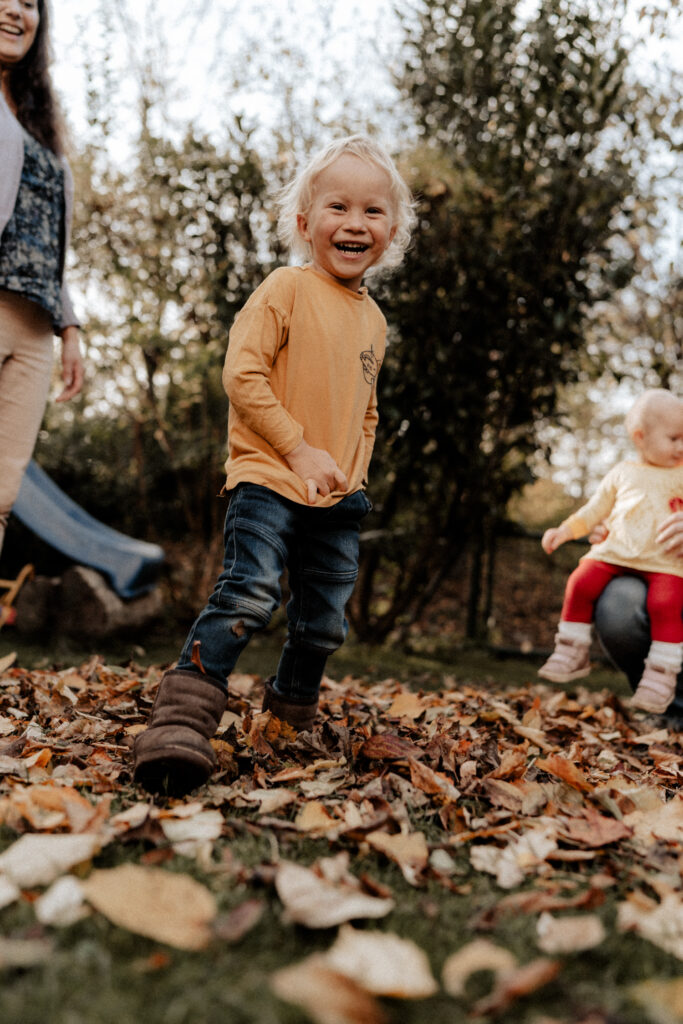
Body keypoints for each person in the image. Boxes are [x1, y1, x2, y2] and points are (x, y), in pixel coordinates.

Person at [133, 134, 415, 796]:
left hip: (337, 498)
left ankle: (290, 716)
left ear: (392, 231)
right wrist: (297, 448)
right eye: (337, 207)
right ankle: (180, 719)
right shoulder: (286, 287)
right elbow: (243, 373)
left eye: (372, 211)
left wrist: (354, 472)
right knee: (250, 591)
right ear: (303, 222)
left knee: (323, 621)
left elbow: (366, 410)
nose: (353, 223)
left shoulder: (373, 319)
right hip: (268, 479)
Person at [538, 389, 683, 715]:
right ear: (640, 437)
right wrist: (565, 530)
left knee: (666, 604)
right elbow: (594, 511)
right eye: (674, 438)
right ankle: (572, 648)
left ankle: (662, 674)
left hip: (665, 563)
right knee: (581, 581)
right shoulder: (622, 473)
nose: (682, 447)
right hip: (617, 554)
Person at [0, 0, 84, 556]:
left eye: (29, 2)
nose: (15, 10)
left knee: (2, 495)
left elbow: (50, 237)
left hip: (34, 331)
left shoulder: (39, 116)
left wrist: (70, 327)